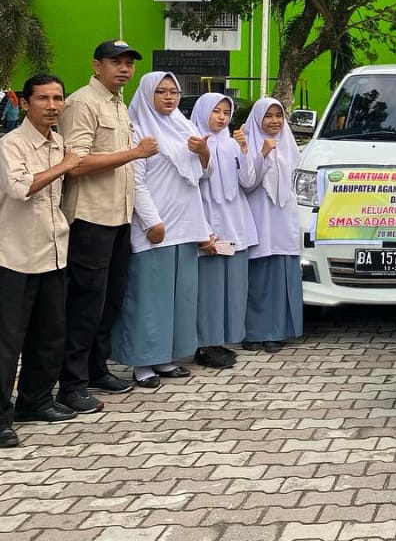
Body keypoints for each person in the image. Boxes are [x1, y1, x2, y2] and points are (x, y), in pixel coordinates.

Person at [57, 40, 160, 414]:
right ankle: (71, 385)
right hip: (90, 218)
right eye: (116, 62)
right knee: (85, 304)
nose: (124, 68)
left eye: (129, 63)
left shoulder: (117, 104)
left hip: (118, 218)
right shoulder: (82, 103)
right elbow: (75, 164)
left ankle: (96, 369)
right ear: (96, 65)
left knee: (109, 300)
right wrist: (134, 153)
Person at [114, 72, 212, 389]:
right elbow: (136, 183)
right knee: (148, 298)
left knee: (178, 298)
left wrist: (204, 153)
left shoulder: (184, 127)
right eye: (161, 91)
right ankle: (142, 363)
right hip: (155, 228)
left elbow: (202, 175)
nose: (169, 97)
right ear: (147, 94)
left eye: (174, 92)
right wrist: (152, 222)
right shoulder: (137, 130)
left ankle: (165, 357)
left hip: (186, 224)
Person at [0, 75, 83, 446]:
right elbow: (20, 189)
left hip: (53, 252)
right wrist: (65, 165)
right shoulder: (11, 145)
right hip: (14, 256)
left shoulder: (59, 143)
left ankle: (35, 401)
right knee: (7, 343)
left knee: (49, 334)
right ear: (25, 103)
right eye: (43, 99)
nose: (52, 106)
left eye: (58, 98)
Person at [190, 93, 259, 370]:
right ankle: (203, 344)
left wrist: (244, 149)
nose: (221, 117)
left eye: (226, 112)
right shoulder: (194, 143)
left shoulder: (231, 144)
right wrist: (203, 231)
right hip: (208, 223)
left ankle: (219, 340)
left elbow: (248, 181)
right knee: (208, 290)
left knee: (231, 288)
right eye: (216, 111)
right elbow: (191, 189)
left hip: (235, 223)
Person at [243, 98, 303, 352]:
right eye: (268, 115)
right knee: (256, 278)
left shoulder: (290, 144)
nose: (275, 121)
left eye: (279, 115)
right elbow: (247, 183)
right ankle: (253, 332)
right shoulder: (247, 143)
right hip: (258, 216)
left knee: (280, 276)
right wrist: (263, 154)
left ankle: (277, 332)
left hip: (283, 218)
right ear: (258, 118)